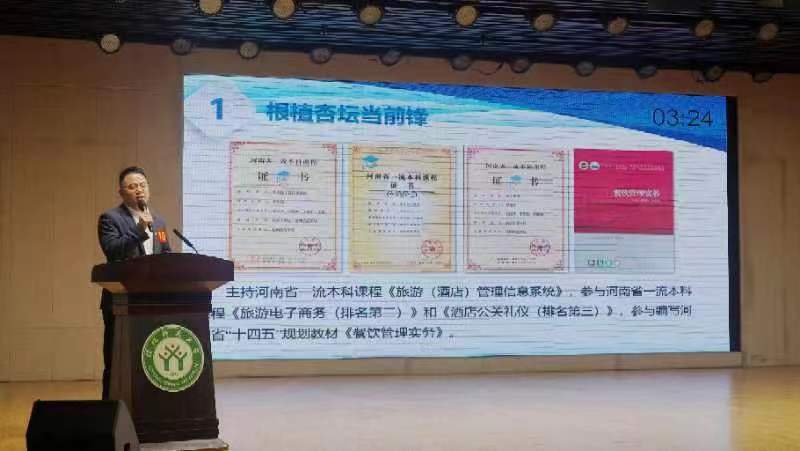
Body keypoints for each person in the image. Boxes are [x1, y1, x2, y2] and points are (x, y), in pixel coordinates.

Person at [97, 166, 171, 399]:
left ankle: (148, 407)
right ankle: (110, 411)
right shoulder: (110, 219)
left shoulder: (158, 222)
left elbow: (165, 253)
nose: (139, 190)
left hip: (153, 302)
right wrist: (139, 230)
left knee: (149, 359)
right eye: (132, 186)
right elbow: (112, 250)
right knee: (117, 360)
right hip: (122, 301)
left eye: (142, 185)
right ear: (121, 192)